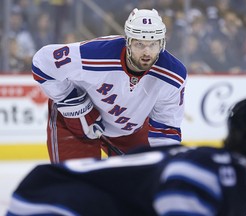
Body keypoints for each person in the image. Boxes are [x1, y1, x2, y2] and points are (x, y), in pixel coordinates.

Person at [6, 96, 246, 216]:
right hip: (52, 205)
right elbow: (181, 182)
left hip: (43, 197)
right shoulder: (232, 174)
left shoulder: (219, 165)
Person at [31, 8, 187, 163]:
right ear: (128, 41)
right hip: (74, 123)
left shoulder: (173, 75)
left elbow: (166, 129)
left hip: (128, 130)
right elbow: (42, 62)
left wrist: (164, 166)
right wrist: (72, 101)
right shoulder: (95, 54)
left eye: (153, 45)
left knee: (147, 182)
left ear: (162, 44)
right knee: (76, 185)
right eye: (139, 44)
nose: (147, 52)